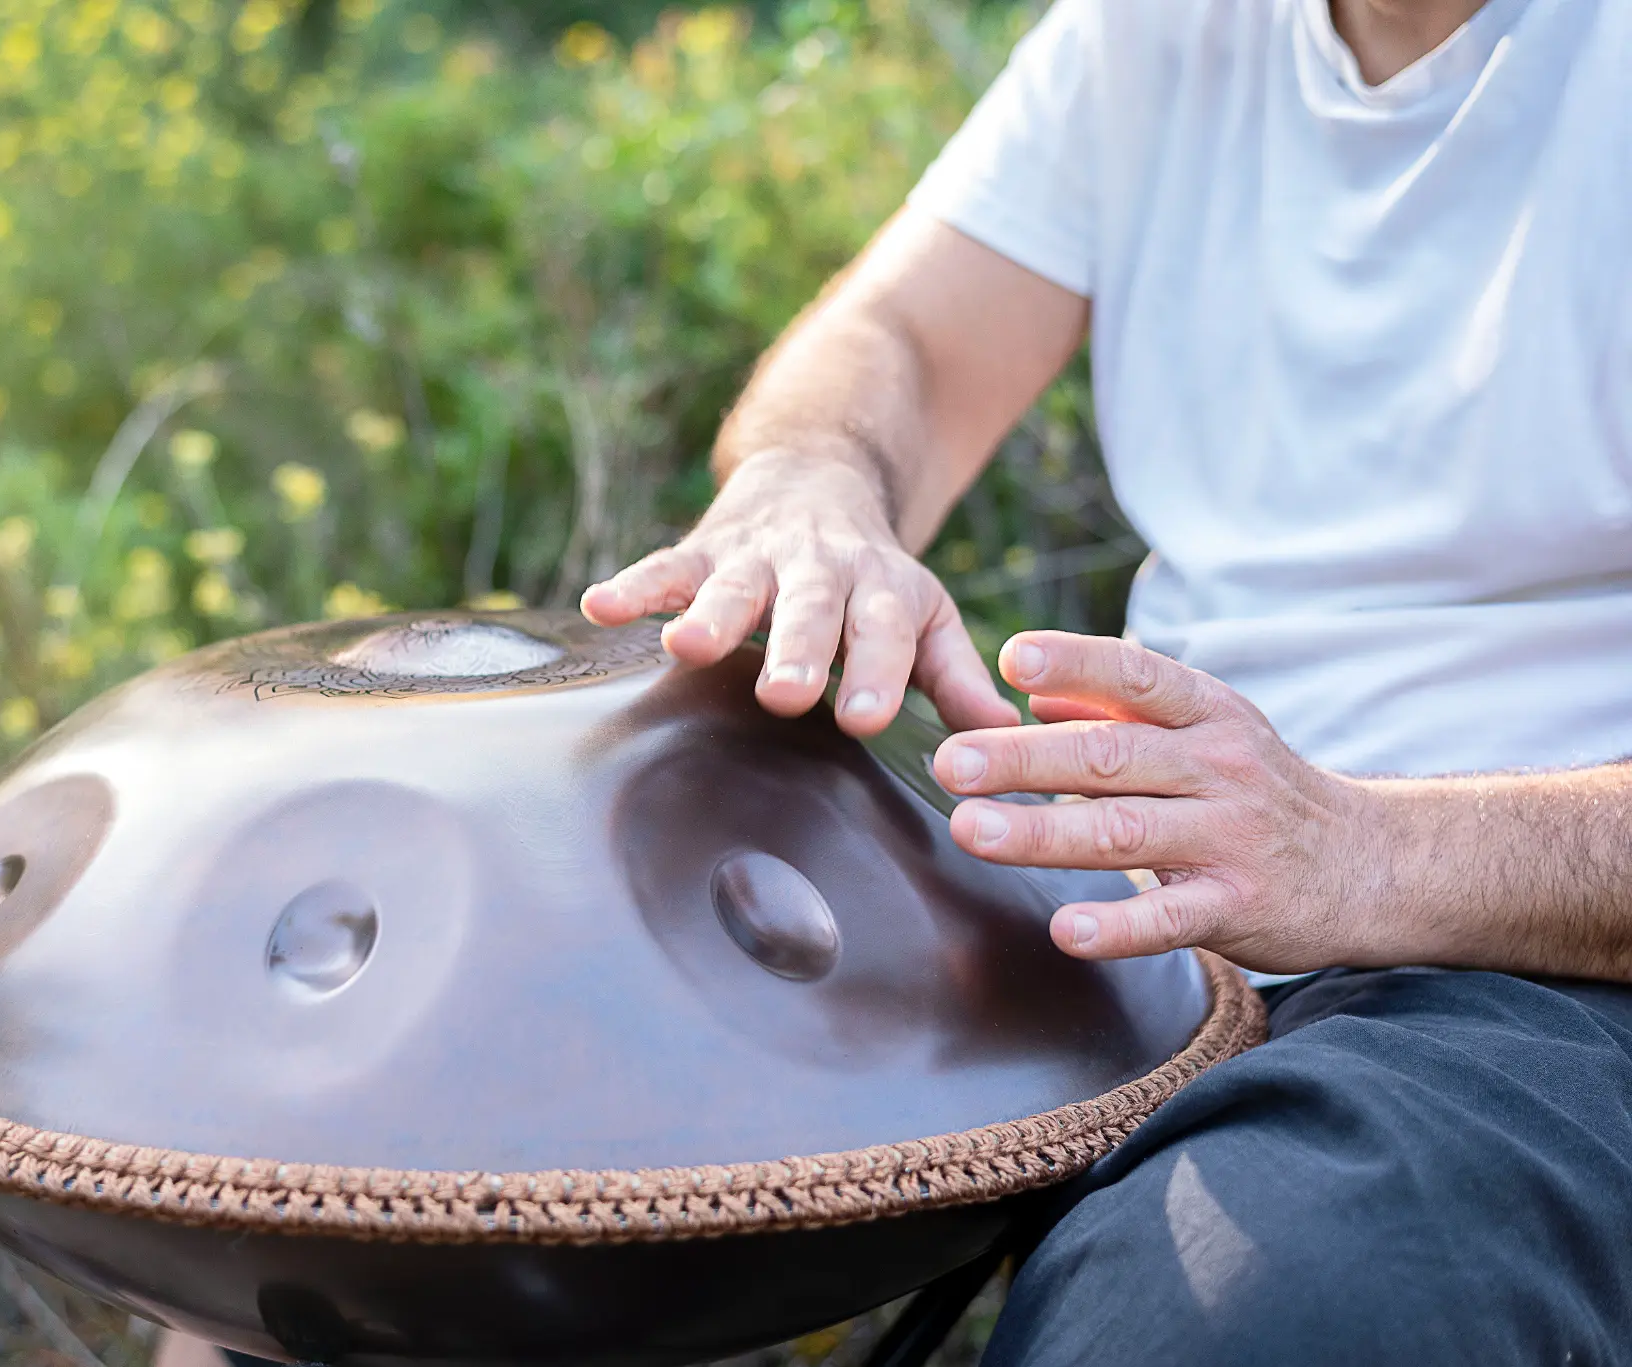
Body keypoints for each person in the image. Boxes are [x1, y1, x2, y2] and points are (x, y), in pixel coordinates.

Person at [164, 0, 1632, 1362]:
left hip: (1531, 968)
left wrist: (1366, 849)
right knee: (365, 1172)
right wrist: (819, 475)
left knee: (1245, 1302)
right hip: (1147, 921)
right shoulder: (1159, 30)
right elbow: (903, 340)